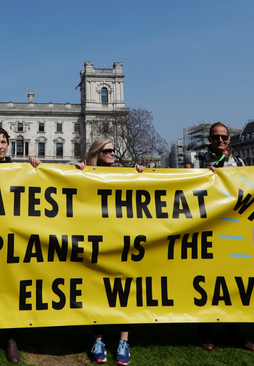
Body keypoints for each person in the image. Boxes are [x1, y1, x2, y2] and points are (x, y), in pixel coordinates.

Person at [0, 126, 41, 363]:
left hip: (13, 239)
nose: (0, 146)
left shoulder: (20, 169)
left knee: (12, 289)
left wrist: (35, 167)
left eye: (4, 142)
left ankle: (11, 339)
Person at [192, 123, 254, 353]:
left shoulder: (238, 163)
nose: (220, 140)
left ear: (229, 140)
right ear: (209, 139)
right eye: (216, 137)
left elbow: (248, 188)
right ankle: (205, 329)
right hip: (206, 227)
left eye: (224, 137)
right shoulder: (198, 161)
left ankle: (235, 329)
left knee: (233, 282)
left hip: (232, 230)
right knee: (207, 281)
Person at [78, 138, 141, 365]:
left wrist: (142, 173)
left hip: (120, 241)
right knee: (97, 292)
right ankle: (99, 340)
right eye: (108, 151)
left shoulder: (125, 174)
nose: (113, 154)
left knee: (123, 291)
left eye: (114, 150)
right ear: (96, 153)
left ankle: (124, 341)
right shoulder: (83, 172)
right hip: (96, 241)